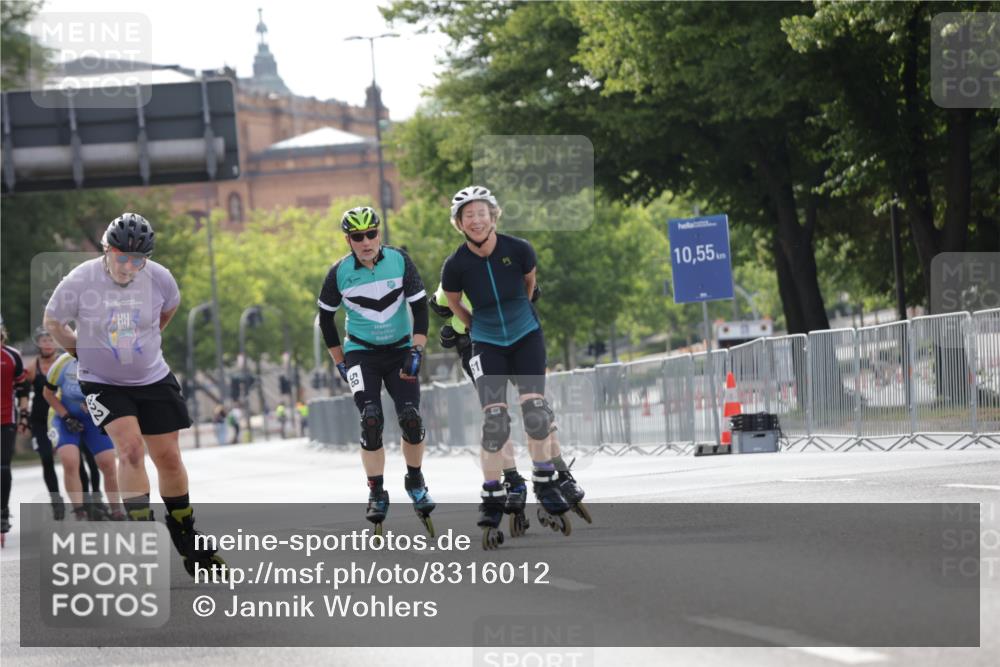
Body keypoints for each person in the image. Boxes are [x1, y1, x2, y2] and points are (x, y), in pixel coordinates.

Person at [43, 212, 225, 577]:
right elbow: (53, 321)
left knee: (169, 457)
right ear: (107, 249)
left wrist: (146, 342)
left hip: (152, 377)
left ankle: (184, 530)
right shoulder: (80, 280)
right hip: (102, 381)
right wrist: (79, 351)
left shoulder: (160, 279)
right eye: (122, 257)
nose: (129, 267)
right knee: (129, 449)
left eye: (138, 260)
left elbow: (167, 310)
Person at [440, 186, 588, 549]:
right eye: (468, 216)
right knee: (495, 422)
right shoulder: (455, 266)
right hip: (486, 341)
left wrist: (514, 314)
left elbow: (528, 287)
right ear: (459, 223)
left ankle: (545, 480)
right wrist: (477, 326)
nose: (476, 221)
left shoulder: (519, 249)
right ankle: (493, 494)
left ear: (493, 216)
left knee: (535, 412)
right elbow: (454, 304)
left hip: (525, 335)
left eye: (481, 213)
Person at [317, 206, 435, 535]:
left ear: (379, 234)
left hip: (400, 351)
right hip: (361, 354)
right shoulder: (338, 273)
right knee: (370, 420)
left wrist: (417, 349)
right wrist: (339, 360)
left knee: (411, 418)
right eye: (358, 237)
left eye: (371, 234)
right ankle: (377, 492)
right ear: (348, 240)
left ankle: (415, 480)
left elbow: (420, 307)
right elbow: (325, 319)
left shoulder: (399, 261)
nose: (366, 242)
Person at [26, 327, 101, 520]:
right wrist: (23, 417)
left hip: (67, 416)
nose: (47, 344)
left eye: (51, 340)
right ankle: (56, 501)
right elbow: (23, 392)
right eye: (43, 340)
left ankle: (90, 501)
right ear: (38, 343)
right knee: (46, 459)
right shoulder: (33, 367)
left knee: (80, 460)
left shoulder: (67, 361)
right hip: (41, 420)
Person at [43, 351, 124, 520]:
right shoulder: (63, 362)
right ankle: (79, 510)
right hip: (64, 416)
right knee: (70, 460)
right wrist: (66, 417)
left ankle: (116, 510)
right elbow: (48, 393)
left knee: (108, 463)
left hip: (92, 418)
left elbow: (115, 393)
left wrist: (97, 404)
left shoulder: (105, 360)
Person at [1, 316, 31, 546]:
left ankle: (2, 511)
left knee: (2, 467)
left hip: (5, 419)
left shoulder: (12, 356)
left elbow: (23, 388)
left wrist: (24, 416)